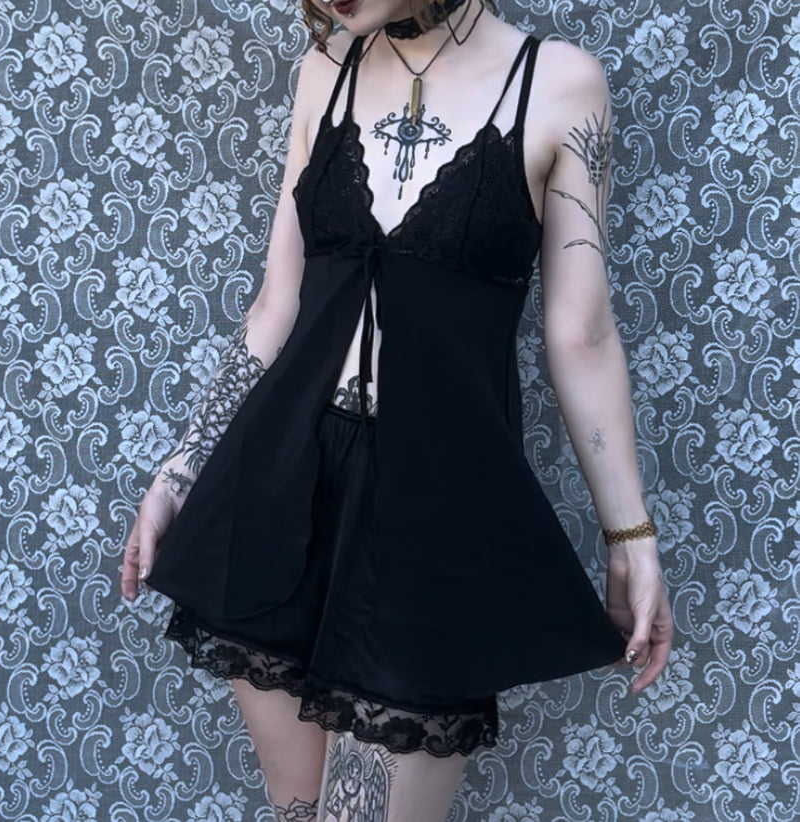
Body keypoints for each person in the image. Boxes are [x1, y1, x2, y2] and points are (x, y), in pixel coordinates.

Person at [121, 0, 673, 819]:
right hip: (279, 487)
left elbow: (581, 335)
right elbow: (277, 305)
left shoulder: (559, 85)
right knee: (298, 811)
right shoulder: (325, 72)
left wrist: (630, 537)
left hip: (433, 516)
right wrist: (179, 472)